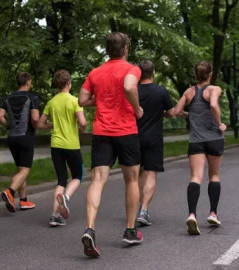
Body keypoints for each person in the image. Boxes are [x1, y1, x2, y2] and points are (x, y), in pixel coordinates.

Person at [78, 32, 144, 257]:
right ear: (125, 48)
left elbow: (82, 100)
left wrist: (103, 98)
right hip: (126, 132)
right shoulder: (132, 69)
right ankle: (130, 230)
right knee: (132, 180)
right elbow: (128, 86)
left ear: (107, 50)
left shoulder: (95, 72)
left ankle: (90, 229)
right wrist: (136, 109)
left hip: (102, 133)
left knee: (97, 180)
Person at [170, 61, 226, 235]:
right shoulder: (214, 89)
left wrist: (190, 114)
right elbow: (213, 105)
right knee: (214, 175)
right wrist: (219, 123)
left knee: (196, 177)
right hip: (214, 138)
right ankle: (213, 213)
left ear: (196, 74)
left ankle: (192, 215)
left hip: (196, 141)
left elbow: (175, 112)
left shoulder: (189, 92)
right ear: (210, 74)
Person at [136, 60, 187, 226]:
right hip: (154, 138)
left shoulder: (132, 90)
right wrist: (163, 114)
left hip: (133, 137)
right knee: (151, 173)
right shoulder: (161, 91)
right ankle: (143, 210)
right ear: (153, 72)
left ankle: (136, 208)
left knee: (137, 174)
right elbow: (171, 113)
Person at [37, 70, 86, 227]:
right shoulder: (74, 101)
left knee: (61, 179)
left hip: (56, 146)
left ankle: (54, 215)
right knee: (78, 175)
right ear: (69, 83)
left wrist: (54, 124)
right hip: (71, 145)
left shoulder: (51, 102)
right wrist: (81, 129)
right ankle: (66, 197)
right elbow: (83, 123)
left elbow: (40, 124)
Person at [0, 72, 39, 212]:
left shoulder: (7, 98)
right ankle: (10, 192)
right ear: (27, 82)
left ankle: (23, 201)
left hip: (12, 138)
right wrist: (35, 128)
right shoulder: (32, 97)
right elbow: (35, 117)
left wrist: (8, 126)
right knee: (25, 170)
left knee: (21, 169)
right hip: (25, 136)